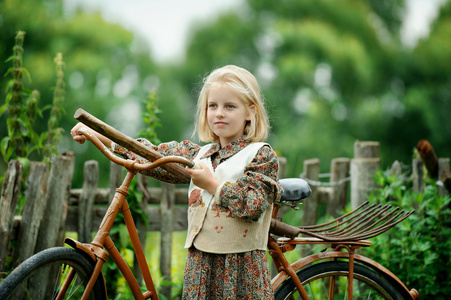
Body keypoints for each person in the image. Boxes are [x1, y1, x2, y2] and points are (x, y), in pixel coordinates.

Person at [71, 65, 283, 299]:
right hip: (201, 263)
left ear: (250, 112)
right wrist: (96, 134)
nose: (219, 113)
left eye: (229, 106)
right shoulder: (198, 154)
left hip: (240, 268)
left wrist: (211, 184)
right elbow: (150, 153)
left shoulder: (260, 155)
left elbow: (252, 205)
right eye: (213, 106)